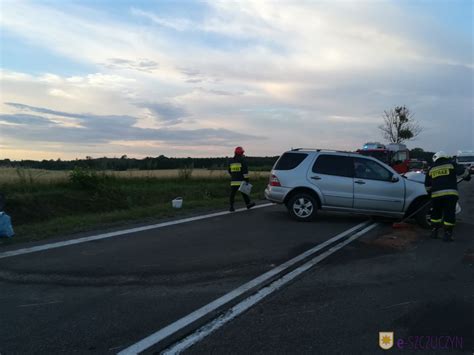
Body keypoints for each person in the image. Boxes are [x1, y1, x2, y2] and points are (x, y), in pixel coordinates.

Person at [425, 151, 470, 241]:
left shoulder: (431, 169)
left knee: (436, 214)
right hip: (450, 195)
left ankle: (434, 232)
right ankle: (447, 235)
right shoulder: (451, 164)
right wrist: (467, 177)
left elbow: (427, 186)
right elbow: (463, 173)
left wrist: (430, 194)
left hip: (436, 196)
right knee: (449, 214)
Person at [228, 146, 255, 212]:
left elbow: (229, 170)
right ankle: (248, 204)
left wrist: (234, 176)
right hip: (241, 181)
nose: (243, 154)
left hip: (233, 181)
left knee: (232, 194)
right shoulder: (243, 160)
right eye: (242, 153)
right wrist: (247, 180)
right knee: (244, 193)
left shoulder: (231, 161)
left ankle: (231, 207)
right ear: (240, 153)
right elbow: (245, 172)